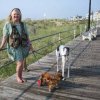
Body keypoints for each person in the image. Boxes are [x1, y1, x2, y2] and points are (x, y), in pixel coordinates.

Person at [0, 8, 33, 83]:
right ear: (11, 15)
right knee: (20, 63)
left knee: (20, 63)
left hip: (23, 46)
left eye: (18, 14)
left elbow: (27, 36)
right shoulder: (8, 25)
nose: (16, 15)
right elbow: (5, 37)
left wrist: (30, 46)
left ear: (20, 15)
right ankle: (18, 77)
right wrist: (1, 46)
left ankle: (21, 76)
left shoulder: (23, 24)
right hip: (15, 47)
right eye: (14, 14)